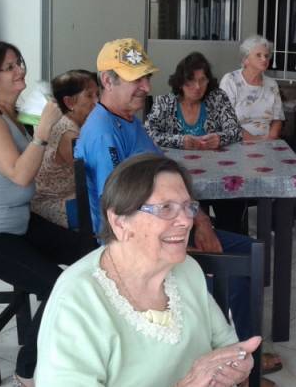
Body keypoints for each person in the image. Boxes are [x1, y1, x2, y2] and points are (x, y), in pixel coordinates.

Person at [74, 38, 281, 377]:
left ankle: (238, 356)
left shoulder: (128, 120)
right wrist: (186, 228)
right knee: (241, 261)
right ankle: (229, 361)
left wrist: (200, 219)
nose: (145, 87)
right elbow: (121, 212)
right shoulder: (103, 133)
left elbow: (164, 173)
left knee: (250, 250)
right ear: (107, 81)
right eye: (135, 79)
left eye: (146, 77)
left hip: (162, 226)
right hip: (137, 244)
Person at [35, 153, 261, 386]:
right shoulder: (77, 302)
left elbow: (226, 344)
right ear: (120, 221)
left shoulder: (187, 269)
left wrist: (238, 365)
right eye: (165, 208)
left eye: (187, 207)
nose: (185, 221)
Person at [0, 41, 96, 386]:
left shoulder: (9, 114)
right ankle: (27, 371)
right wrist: (43, 133)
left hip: (17, 222)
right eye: (11, 67)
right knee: (57, 284)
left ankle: (82, 344)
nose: (21, 72)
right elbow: (19, 174)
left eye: (20, 63)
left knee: (92, 255)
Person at [145, 52, 247, 234]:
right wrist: (180, 141)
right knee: (182, 216)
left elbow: (235, 131)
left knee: (232, 207)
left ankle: (230, 245)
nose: (198, 87)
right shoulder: (165, 103)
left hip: (218, 173)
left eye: (203, 80)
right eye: (190, 81)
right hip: (179, 176)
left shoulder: (217, 98)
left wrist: (219, 138)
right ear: (180, 82)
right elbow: (148, 133)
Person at [31, 69, 99, 227]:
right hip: (54, 204)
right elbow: (94, 174)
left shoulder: (71, 123)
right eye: (89, 96)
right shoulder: (68, 133)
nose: (97, 101)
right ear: (69, 102)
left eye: (97, 94)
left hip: (72, 197)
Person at [219, 36, 284, 141]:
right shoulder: (230, 80)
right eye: (258, 55)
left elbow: (278, 118)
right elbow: (225, 120)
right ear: (246, 60)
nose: (264, 59)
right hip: (236, 142)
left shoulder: (272, 84)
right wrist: (255, 140)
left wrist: (270, 138)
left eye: (266, 56)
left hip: (267, 142)